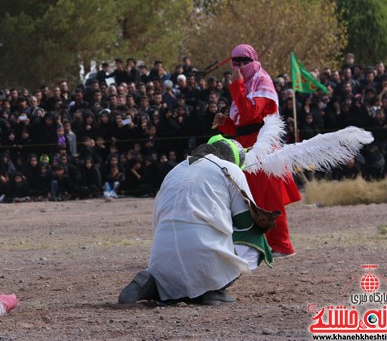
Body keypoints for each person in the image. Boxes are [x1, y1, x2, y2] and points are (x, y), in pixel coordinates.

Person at [118, 138, 273, 305]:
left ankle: (154, 283)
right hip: (202, 254)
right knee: (257, 236)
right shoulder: (231, 169)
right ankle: (214, 289)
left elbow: (156, 224)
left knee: (175, 250)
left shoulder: (174, 170)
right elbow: (247, 223)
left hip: (162, 258)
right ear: (235, 160)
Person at [213, 44, 300, 257]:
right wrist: (225, 123)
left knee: (269, 198)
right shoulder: (246, 84)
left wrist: (236, 86)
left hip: (263, 147)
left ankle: (282, 245)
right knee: (248, 197)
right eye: (236, 62)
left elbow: (252, 113)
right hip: (245, 147)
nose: (240, 66)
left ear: (254, 60)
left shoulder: (262, 81)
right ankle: (255, 244)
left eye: (245, 61)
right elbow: (242, 123)